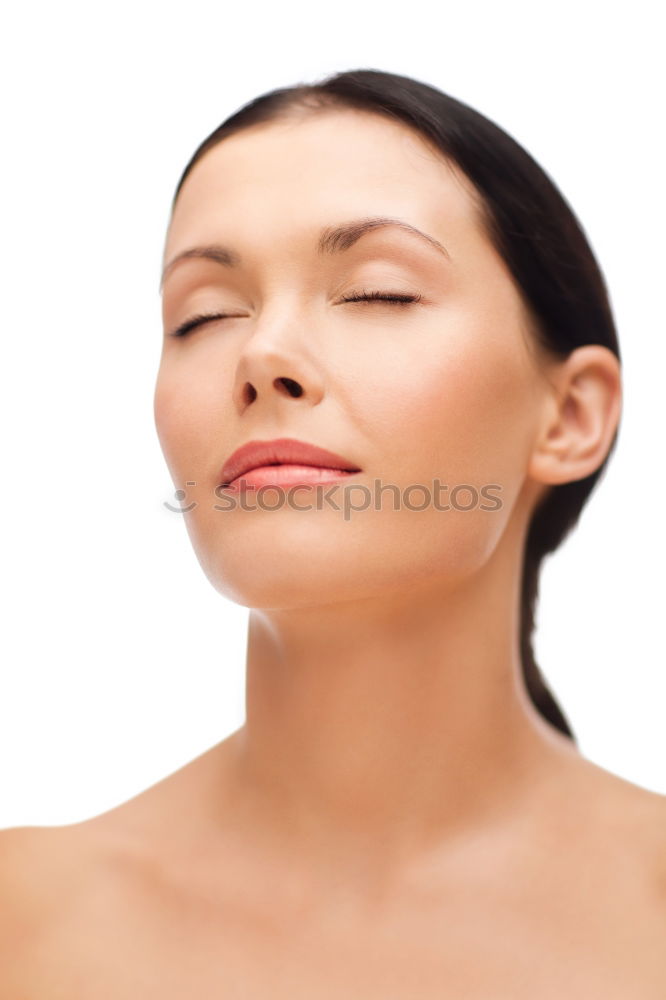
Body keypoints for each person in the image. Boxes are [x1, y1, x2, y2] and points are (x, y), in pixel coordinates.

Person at [2, 68, 665, 996]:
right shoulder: (24, 923)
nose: (262, 354)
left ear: (570, 417)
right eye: (203, 315)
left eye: (377, 294)